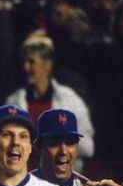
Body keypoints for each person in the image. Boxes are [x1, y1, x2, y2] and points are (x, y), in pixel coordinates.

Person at [5, 35, 94, 169]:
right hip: (24, 182)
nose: (25, 67)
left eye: (31, 62)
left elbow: (88, 148)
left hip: (61, 180)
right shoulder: (13, 102)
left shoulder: (70, 100)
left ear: (48, 65)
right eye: (23, 62)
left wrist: (55, 141)